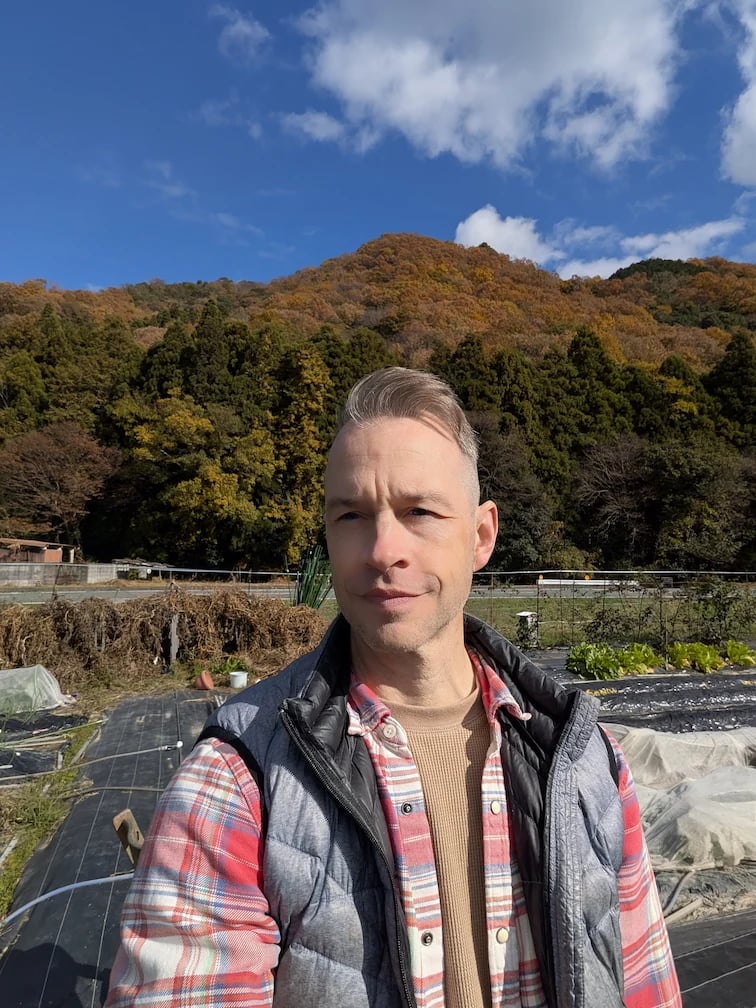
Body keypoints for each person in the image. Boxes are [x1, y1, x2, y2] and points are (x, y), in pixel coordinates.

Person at [105, 367, 681, 1008]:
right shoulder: (237, 779)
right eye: (352, 514)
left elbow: (645, 983)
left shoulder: (583, 759)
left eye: (420, 512)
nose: (382, 549)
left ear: (482, 535)